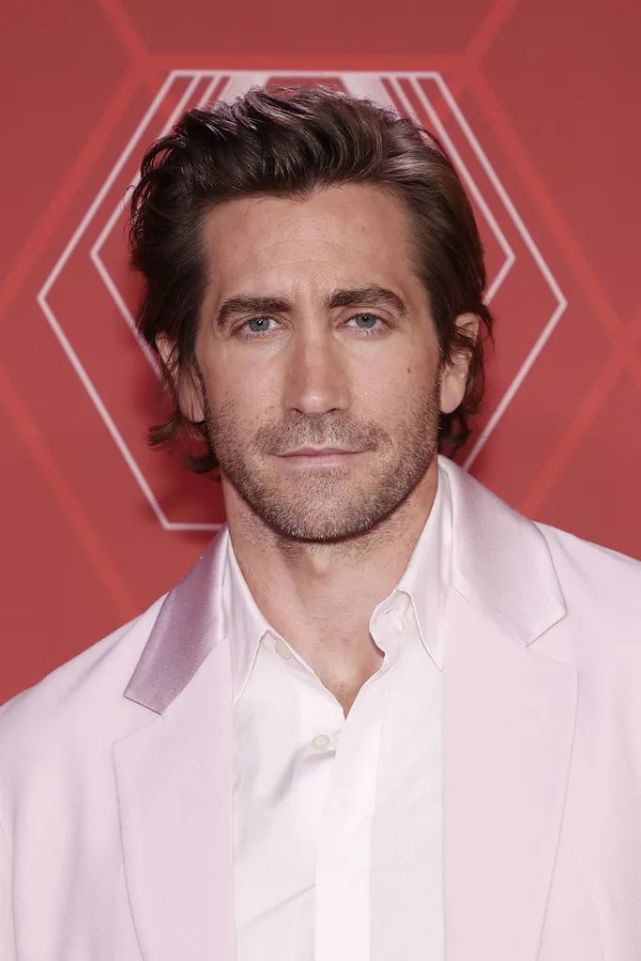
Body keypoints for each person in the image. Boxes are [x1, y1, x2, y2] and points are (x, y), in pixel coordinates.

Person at [1, 85, 640, 961]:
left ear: (453, 360)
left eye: (363, 319)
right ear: (185, 375)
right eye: (259, 323)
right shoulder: (35, 774)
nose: (313, 390)